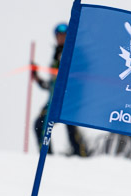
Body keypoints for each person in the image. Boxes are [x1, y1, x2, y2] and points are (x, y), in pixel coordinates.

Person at [33, 22, 88, 157]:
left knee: (70, 126)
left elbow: (83, 73)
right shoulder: (56, 54)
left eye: (64, 35)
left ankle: (81, 156)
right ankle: (46, 156)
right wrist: (38, 79)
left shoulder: (74, 52)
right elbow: (51, 85)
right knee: (40, 125)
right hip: (55, 99)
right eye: (59, 35)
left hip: (69, 99)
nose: (61, 38)